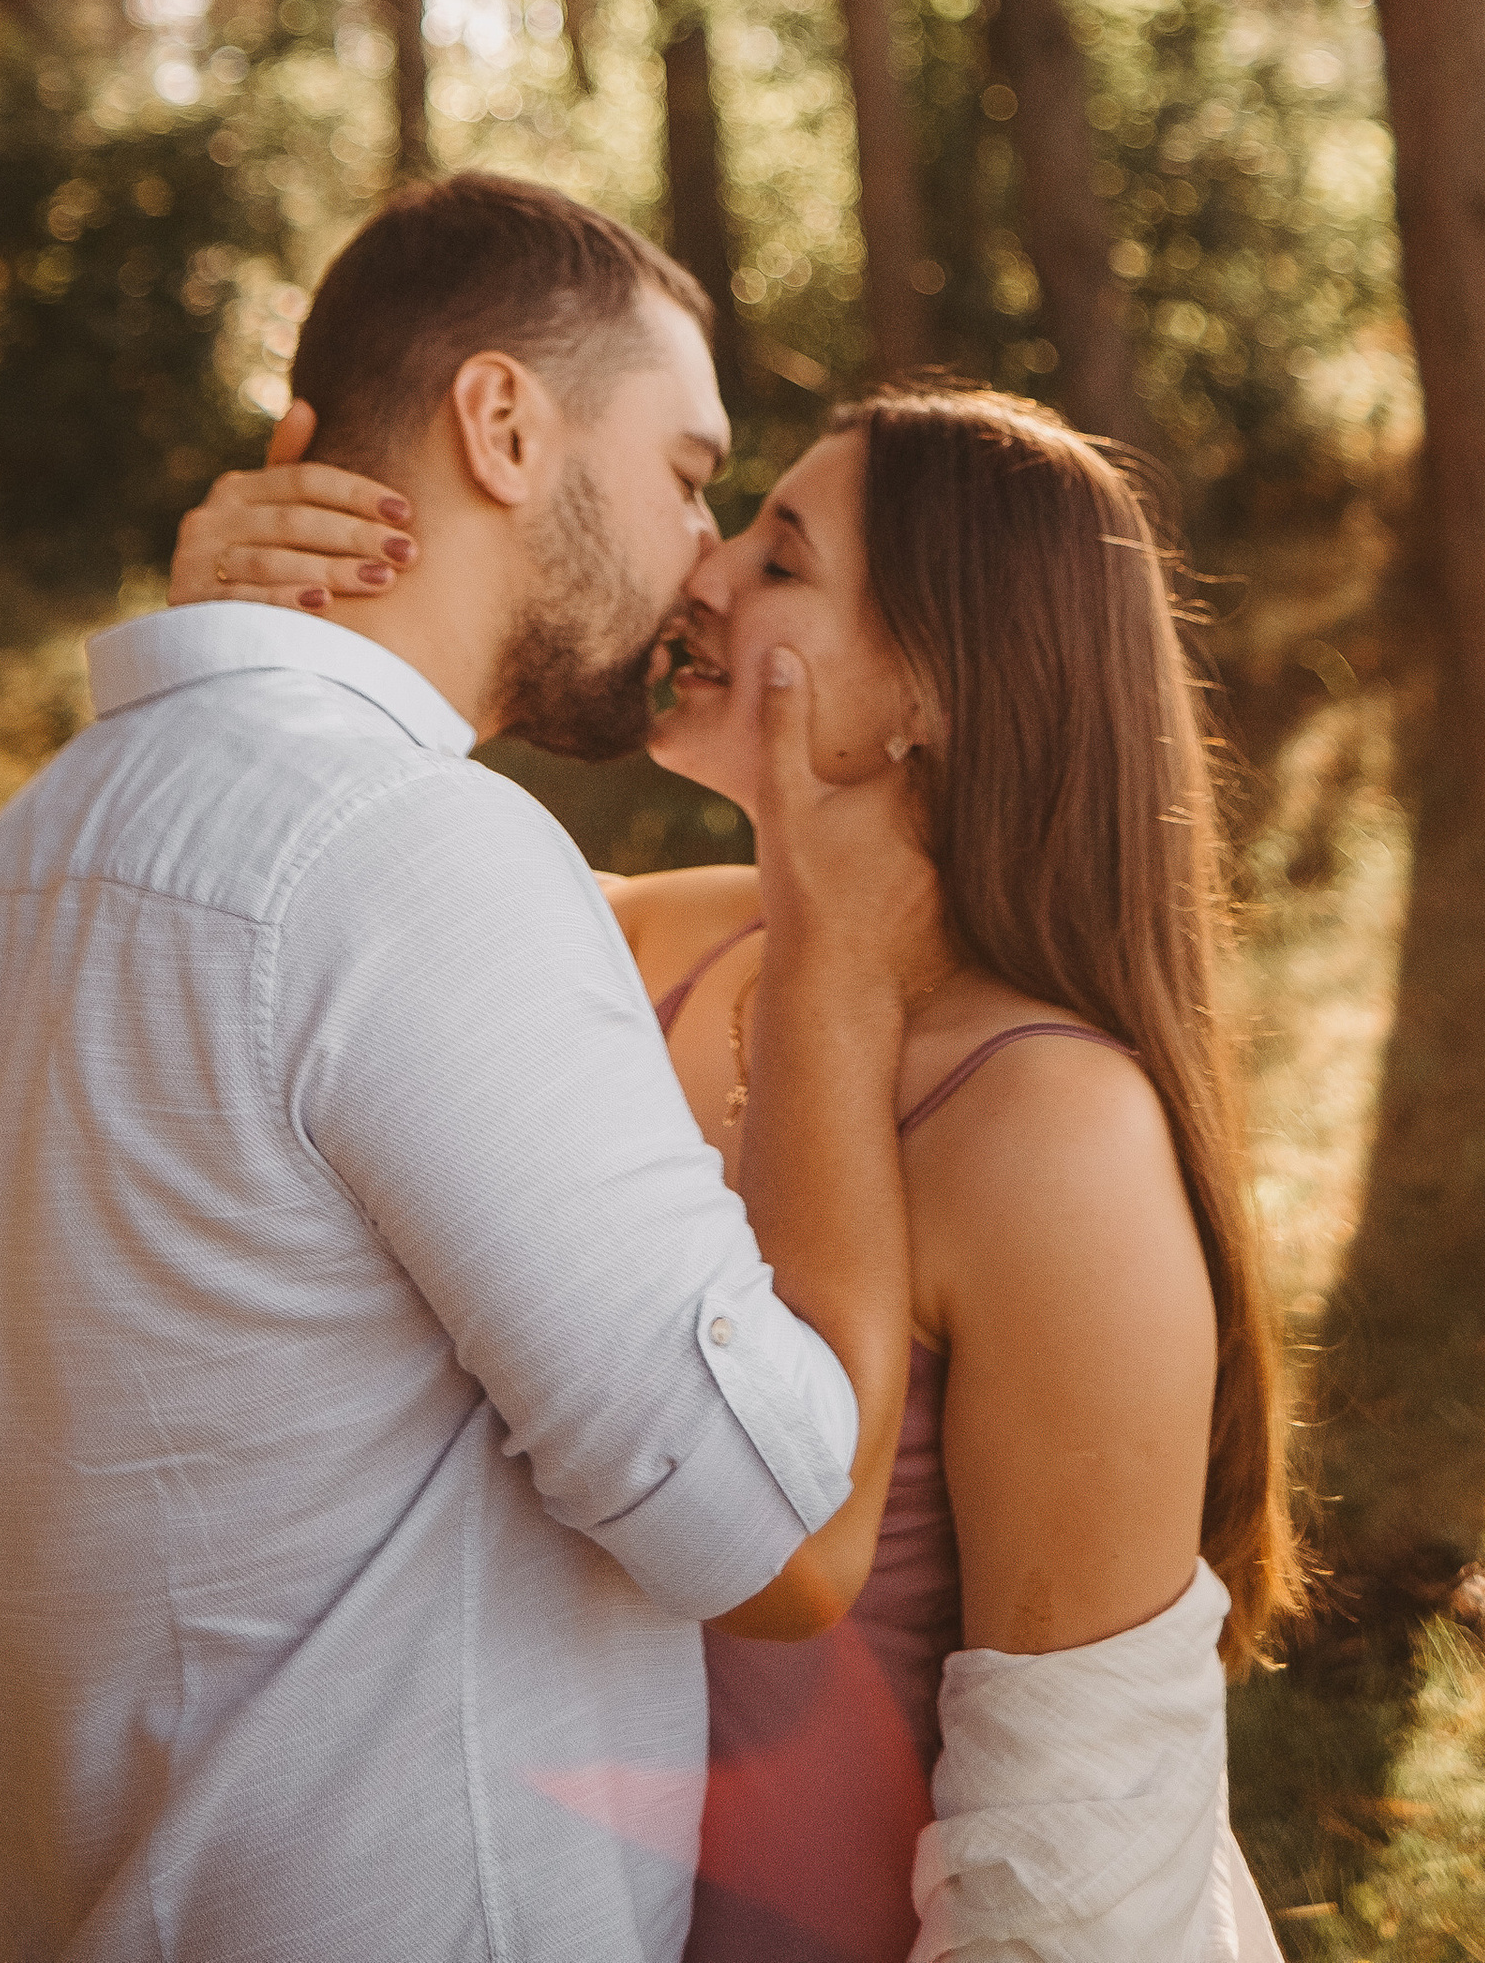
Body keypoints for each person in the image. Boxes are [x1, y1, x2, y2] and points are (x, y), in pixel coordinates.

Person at [0, 175, 940, 1963]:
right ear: (503, 425)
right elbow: (777, 1538)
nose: (702, 557)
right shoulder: (414, 851)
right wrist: (837, 969)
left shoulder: (28, 849)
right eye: (687, 473)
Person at [192, 378, 1296, 1963]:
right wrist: (251, 642)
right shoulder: (642, 942)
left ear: (932, 692)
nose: (701, 573)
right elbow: (303, 894)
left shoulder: (1053, 1129)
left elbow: (1081, 1857)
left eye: (782, 560)